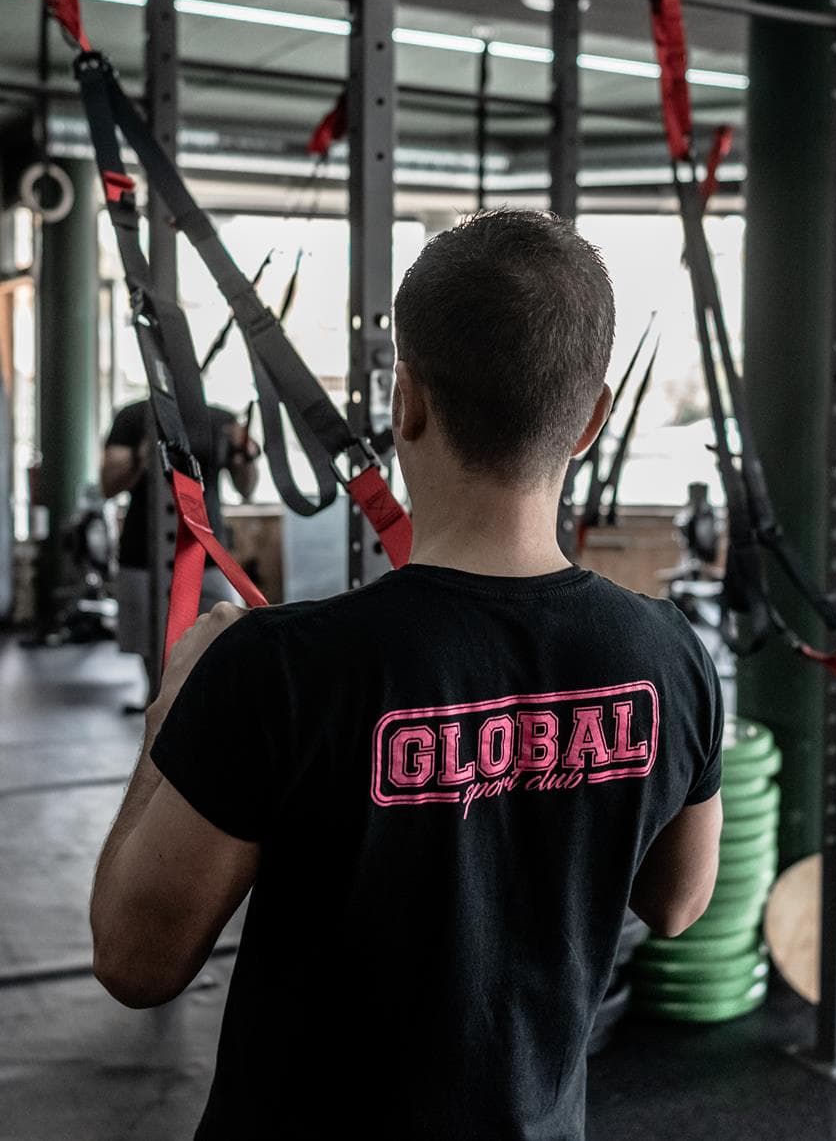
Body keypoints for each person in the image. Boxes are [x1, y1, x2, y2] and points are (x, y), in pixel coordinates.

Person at [88, 210, 725, 1138]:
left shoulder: (278, 671)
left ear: (405, 401)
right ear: (592, 416)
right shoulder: (667, 655)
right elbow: (676, 903)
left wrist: (167, 726)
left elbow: (133, 962)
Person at [100, 399, 259, 713]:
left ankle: (208, 711)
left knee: (224, 640)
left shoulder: (221, 419)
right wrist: (141, 455)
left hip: (208, 551)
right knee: (153, 655)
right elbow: (108, 485)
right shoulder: (134, 417)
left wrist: (243, 457)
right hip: (142, 553)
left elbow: (247, 488)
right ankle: (158, 709)